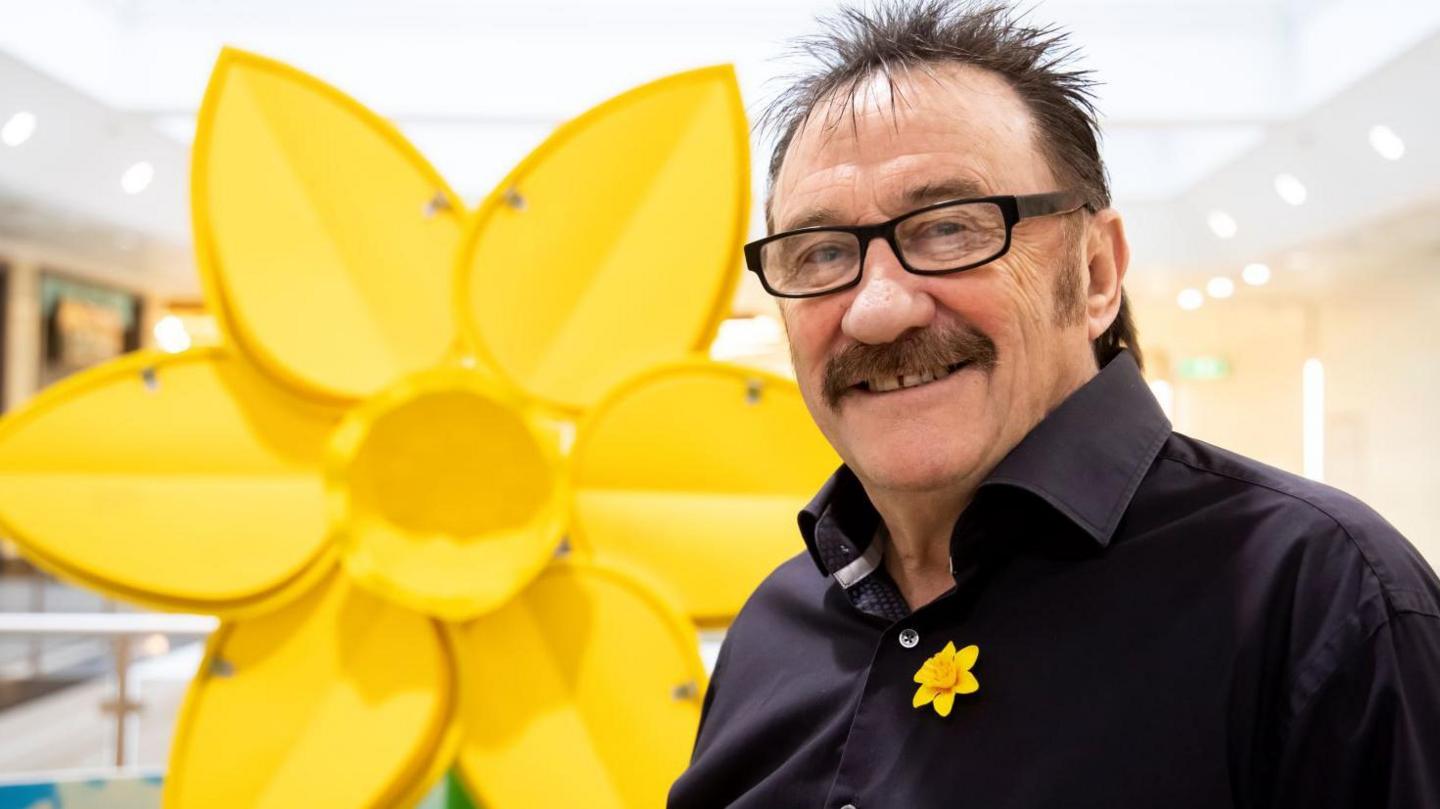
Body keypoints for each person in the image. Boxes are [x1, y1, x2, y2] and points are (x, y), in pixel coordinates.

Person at [666, 1, 1440, 807]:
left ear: (1098, 272)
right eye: (823, 252)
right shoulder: (771, 628)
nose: (878, 309)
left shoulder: (1317, 598)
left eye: (949, 230)